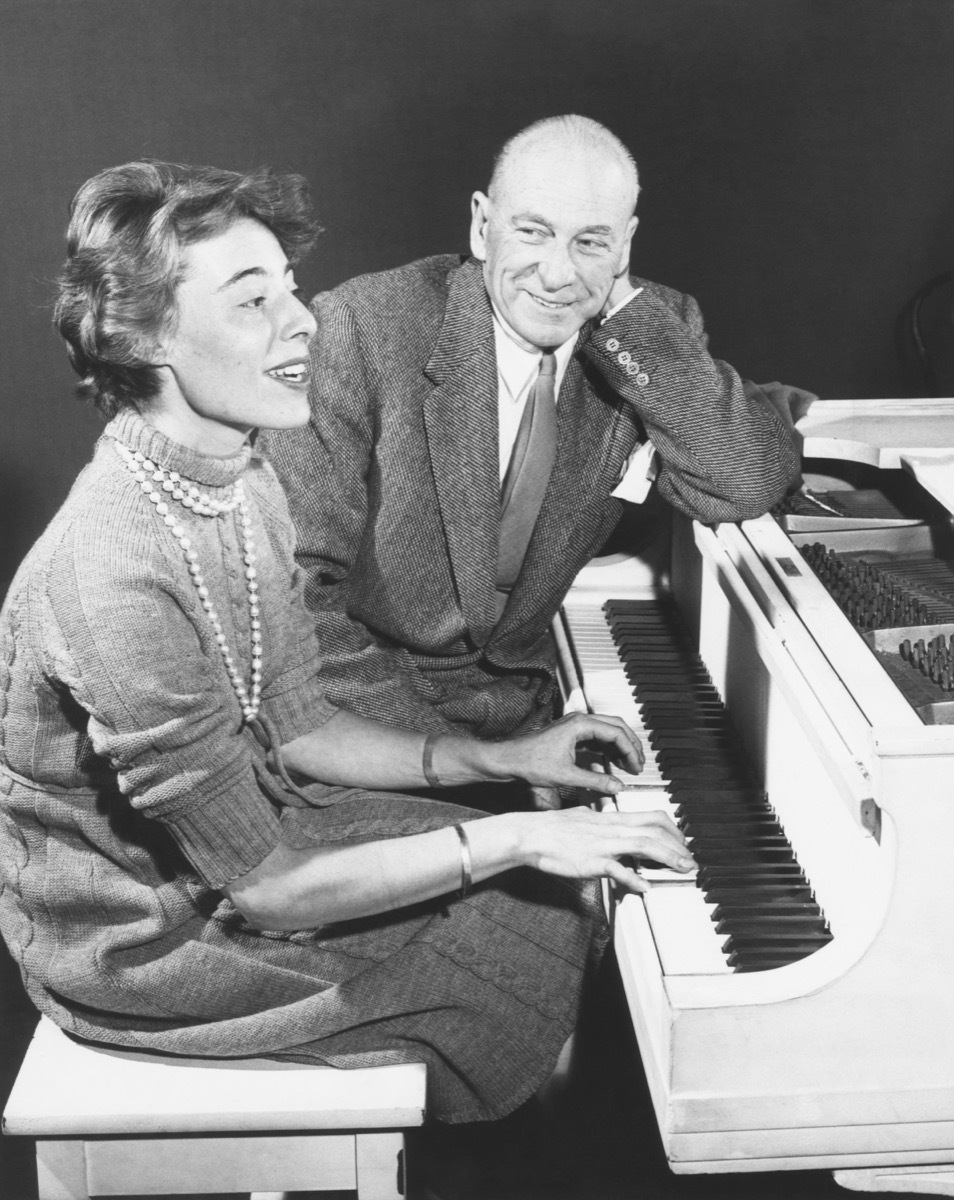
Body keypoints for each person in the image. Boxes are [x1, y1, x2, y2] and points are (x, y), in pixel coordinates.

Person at [0, 160, 695, 1136]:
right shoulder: (116, 573)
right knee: (534, 901)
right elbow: (270, 884)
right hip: (141, 934)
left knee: (531, 866)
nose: (304, 323)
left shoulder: (228, 474)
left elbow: (298, 719)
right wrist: (521, 832)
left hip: (229, 848)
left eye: (289, 287)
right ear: (144, 337)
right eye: (253, 301)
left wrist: (493, 759)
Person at [262, 114, 806, 752]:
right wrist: (477, 766)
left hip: (527, 706)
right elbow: (293, 601)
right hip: (370, 715)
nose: (557, 274)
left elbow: (746, 482)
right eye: (533, 232)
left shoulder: (650, 330)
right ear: (482, 225)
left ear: (626, 246)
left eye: (591, 243)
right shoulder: (363, 327)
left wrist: (621, 306)